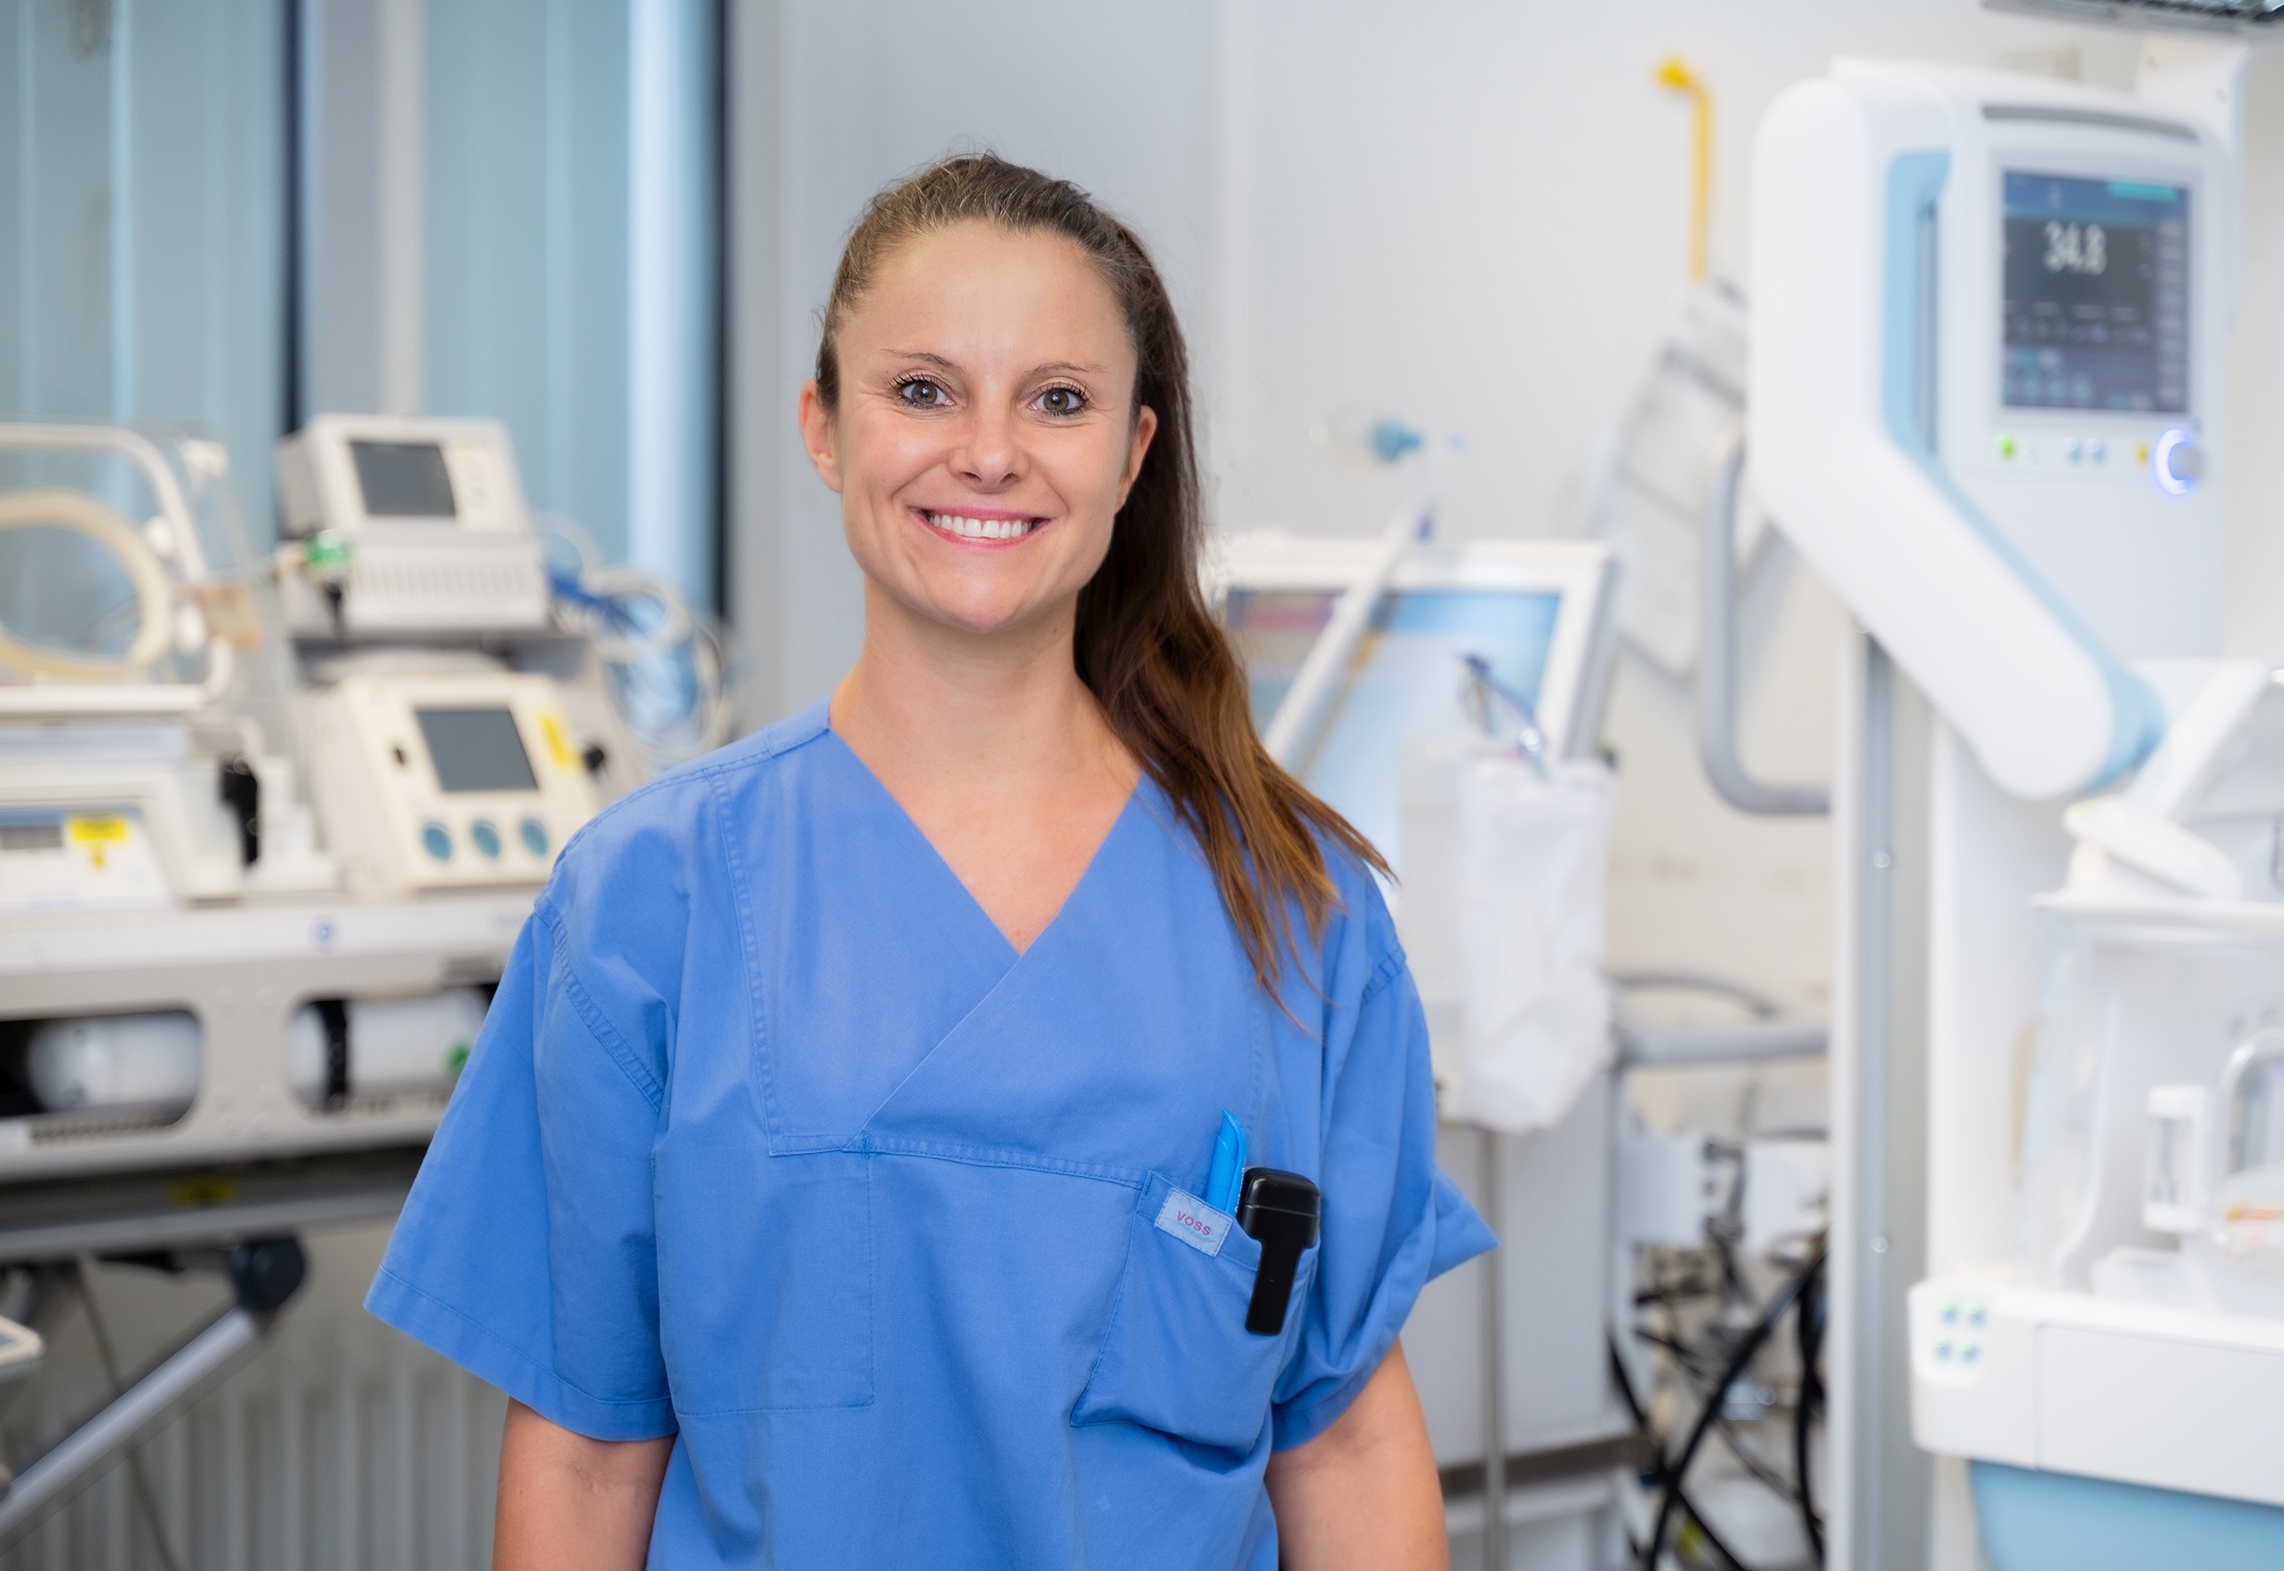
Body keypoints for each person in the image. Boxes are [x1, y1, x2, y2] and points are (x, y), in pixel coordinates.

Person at [367, 152, 1492, 1570]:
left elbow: (1345, 1437)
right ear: (822, 428)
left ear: (1132, 455)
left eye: (1058, 401)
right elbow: (591, 1449)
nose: (988, 451)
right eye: (921, 390)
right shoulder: (652, 899)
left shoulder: (1291, 909)